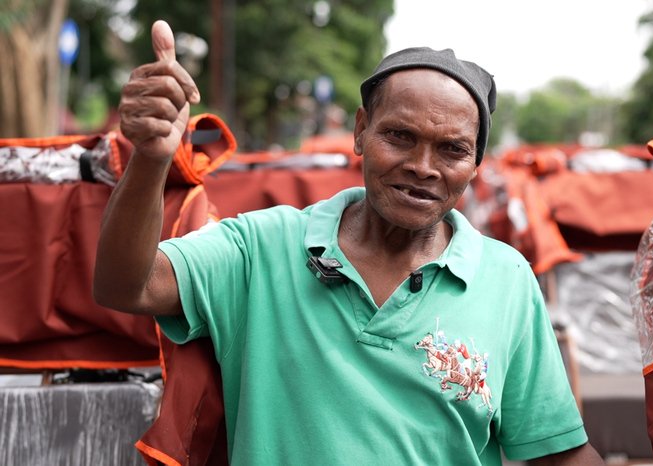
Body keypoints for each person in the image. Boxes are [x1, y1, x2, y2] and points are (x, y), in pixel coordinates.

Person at [94, 19, 605, 466]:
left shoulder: (505, 279)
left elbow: (559, 452)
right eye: (399, 136)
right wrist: (152, 159)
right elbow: (126, 285)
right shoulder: (261, 248)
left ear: (475, 165)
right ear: (360, 132)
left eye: (452, 149)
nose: (422, 167)